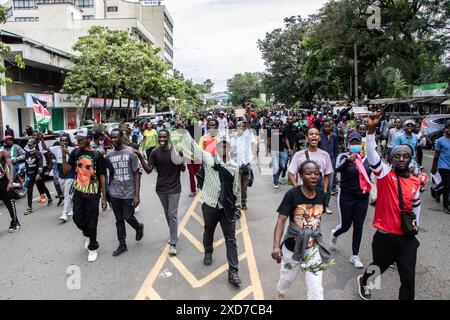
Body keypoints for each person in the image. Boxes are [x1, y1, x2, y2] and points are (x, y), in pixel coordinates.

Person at [357, 111, 421, 301]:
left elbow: (416, 209)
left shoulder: (416, 182)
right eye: (397, 156)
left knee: (408, 278)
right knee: (379, 266)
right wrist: (371, 130)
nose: (401, 159)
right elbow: (371, 153)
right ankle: (365, 282)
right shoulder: (384, 174)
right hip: (385, 236)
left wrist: (415, 226)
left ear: (410, 160)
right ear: (391, 159)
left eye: (405, 156)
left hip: (407, 238)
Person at [172, 130, 242, 286]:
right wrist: (184, 131)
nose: (224, 149)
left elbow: (236, 188)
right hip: (210, 204)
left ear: (230, 149)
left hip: (227, 207)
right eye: (221, 147)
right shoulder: (209, 160)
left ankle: (233, 271)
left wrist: (237, 207)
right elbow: (195, 147)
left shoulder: (234, 167)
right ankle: (208, 252)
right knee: (208, 230)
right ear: (216, 149)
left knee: (231, 239)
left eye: (226, 147)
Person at [272, 161, 332, 300]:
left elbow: (316, 220)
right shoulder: (292, 194)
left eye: (317, 174)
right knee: (287, 278)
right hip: (292, 249)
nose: (313, 177)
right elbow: (281, 221)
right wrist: (276, 246)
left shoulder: (322, 195)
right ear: (300, 175)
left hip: (313, 249)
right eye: (309, 173)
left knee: (316, 289)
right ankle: (280, 293)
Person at [62, 128, 108, 262]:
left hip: (93, 194)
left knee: (92, 222)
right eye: (77, 139)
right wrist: (64, 156)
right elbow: (66, 171)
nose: (79, 142)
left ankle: (93, 247)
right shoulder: (75, 153)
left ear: (89, 139)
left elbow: (102, 176)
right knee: (78, 219)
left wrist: (104, 197)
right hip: (78, 192)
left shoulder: (97, 155)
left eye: (81, 139)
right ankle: (88, 234)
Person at [137, 130, 185, 256]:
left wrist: (180, 158)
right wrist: (140, 157)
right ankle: (173, 233)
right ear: (157, 138)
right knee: (167, 214)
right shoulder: (155, 152)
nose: (162, 139)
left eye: (164, 136)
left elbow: (183, 169)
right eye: (160, 137)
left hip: (175, 188)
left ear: (168, 138)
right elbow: (148, 170)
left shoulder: (175, 150)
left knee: (172, 214)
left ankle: (173, 242)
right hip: (161, 189)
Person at [330, 132, 372, 268]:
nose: (355, 145)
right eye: (352, 143)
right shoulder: (343, 156)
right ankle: (335, 233)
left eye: (357, 143)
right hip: (346, 195)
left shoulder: (368, 158)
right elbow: (337, 169)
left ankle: (355, 255)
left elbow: (379, 171)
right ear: (348, 143)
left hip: (362, 197)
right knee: (346, 226)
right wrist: (348, 161)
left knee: (358, 226)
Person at [105, 129, 144, 256]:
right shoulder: (109, 155)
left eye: (116, 137)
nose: (113, 140)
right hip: (115, 192)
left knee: (128, 216)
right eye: (111, 137)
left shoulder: (131, 153)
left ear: (122, 137)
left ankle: (138, 227)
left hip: (128, 192)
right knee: (118, 219)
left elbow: (136, 174)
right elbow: (111, 173)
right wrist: (108, 191)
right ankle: (122, 245)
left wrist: (137, 195)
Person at [288, 128, 334, 214]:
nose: (314, 136)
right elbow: (290, 174)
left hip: (317, 194)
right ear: (306, 138)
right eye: (311, 134)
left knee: (315, 221)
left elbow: (327, 174)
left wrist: (324, 191)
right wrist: (296, 189)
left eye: (316, 134)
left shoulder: (325, 155)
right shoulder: (299, 155)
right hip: (301, 194)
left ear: (319, 138)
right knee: (300, 220)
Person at [230, 105, 255, 216]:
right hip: (236, 166)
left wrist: (248, 110)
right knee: (237, 187)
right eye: (238, 126)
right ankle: (238, 208)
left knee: (244, 188)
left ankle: (244, 203)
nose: (240, 127)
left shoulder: (247, 135)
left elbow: (249, 122)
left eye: (242, 126)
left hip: (246, 166)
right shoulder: (233, 138)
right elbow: (230, 151)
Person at [46, 134, 76, 221]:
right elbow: (45, 148)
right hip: (61, 174)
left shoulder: (72, 149)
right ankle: (71, 207)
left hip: (70, 173)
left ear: (68, 141)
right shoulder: (56, 148)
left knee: (67, 193)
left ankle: (64, 214)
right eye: (61, 140)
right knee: (65, 192)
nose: (63, 142)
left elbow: (75, 160)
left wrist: (68, 153)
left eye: (65, 140)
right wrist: (41, 138)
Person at [24, 138, 53, 215]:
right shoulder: (27, 154)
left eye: (31, 145)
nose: (29, 146)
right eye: (28, 145)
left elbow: (40, 165)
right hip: (30, 175)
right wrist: (26, 175)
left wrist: (38, 174)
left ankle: (49, 198)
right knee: (29, 191)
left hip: (37, 175)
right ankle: (29, 207)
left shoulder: (38, 153)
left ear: (35, 145)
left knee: (42, 187)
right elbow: (26, 165)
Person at [431, 121, 450, 215]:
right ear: (445, 129)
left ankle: (437, 191)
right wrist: (434, 167)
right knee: (447, 186)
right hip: (443, 165)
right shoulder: (440, 141)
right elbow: (436, 155)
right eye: (447, 128)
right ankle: (446, 206)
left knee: (448, 184)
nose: (449, 130)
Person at [0, 149, 20, 232]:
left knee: (9, 203)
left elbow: (10, 167)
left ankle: (15, 222)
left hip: (2, 181)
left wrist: (10, 182)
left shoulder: (3, 152)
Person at [267, 116, 288, 189]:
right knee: (276, 167)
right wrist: (267, 150)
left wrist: (289, 148)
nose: (276, 121)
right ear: (274, 121)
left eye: (278, 120)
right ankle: (275, 181)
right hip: (274, 148)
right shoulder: (271, 129)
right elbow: (268, 140)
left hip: (282, 149)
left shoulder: (283, 129)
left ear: (280, 121)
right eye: (275, 120)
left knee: (282, 166)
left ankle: (276, 176)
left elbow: (285, 139)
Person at [319, 119, 339, 198]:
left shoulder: (334, 136)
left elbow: (336, 150)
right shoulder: (319, 135)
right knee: (320, 183)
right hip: (320, 162)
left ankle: (326, 204)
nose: (327, 128)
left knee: (329, 185)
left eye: (329, 126)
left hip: (331, 162)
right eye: (325, 127)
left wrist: (336, 162)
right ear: (323, 127)